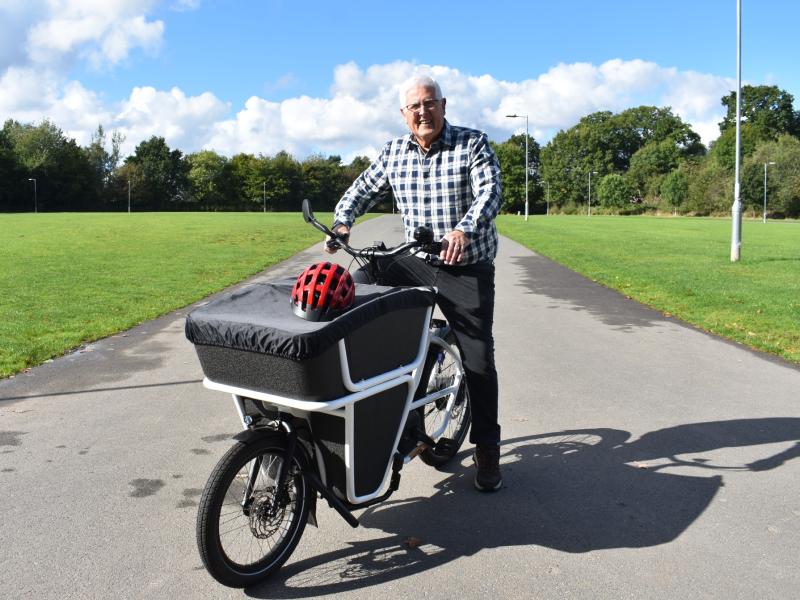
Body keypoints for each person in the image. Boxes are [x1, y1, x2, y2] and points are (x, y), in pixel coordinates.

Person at [326, 74, 504, 491]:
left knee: (479, 362)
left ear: (443, 105)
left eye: (430, 103)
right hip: (415, 260)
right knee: (357, 283)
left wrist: (463, 230)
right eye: (414, 107)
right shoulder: (394, 151)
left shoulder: (471, 143)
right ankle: (368, 392)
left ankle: (488, 450)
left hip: (465, 265)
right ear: (404, 114)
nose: (422, 112)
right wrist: (342, 222)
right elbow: (361, 189)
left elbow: (490, 192)